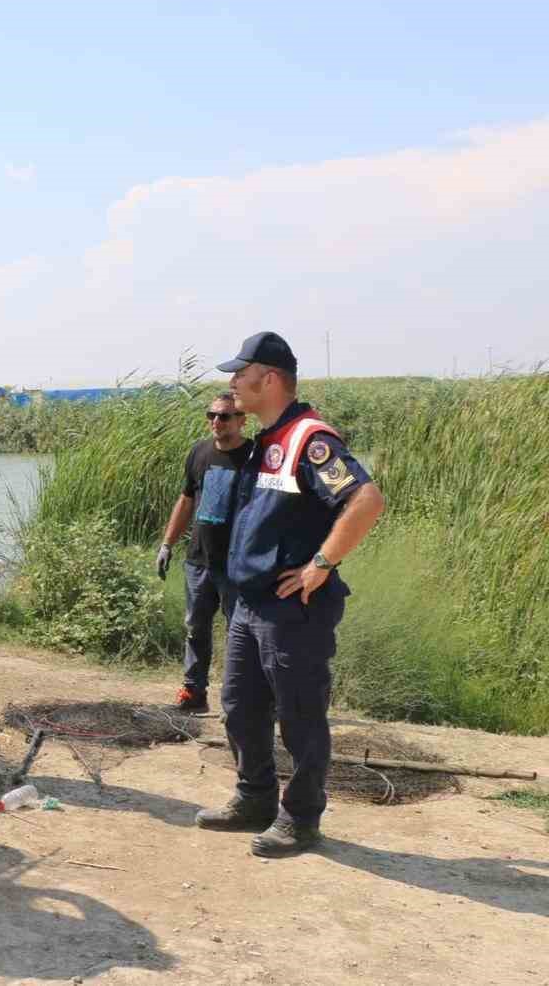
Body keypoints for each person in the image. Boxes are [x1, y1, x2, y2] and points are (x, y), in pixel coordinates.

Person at [193, 332, 384, 857]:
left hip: (291, 610)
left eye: (241, 373)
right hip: (250, 604)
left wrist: (321, 564)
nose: (233, 382)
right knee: (239, 707)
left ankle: (300, 819)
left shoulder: (309, 438)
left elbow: (365, 500)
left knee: (299, 714)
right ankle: (254, 798)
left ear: (269, 378)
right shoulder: (269, 438)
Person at [155, 392, 252, 713]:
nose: (216, 422)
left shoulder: (256, 456)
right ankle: (194, 692)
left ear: (242, 420)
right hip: (199, 561)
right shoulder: (199, 452)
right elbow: (185, 500)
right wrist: (167, 544)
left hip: (238, 565)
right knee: (196, 627)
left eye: (224, 416)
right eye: (211, 415)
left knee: (241, 633)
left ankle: (242, 698)